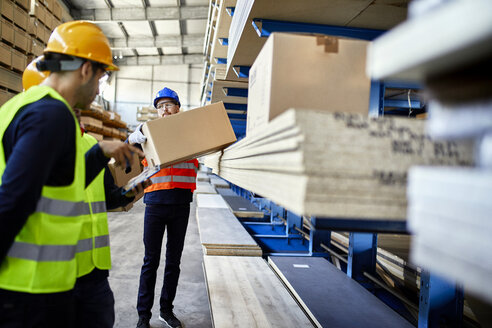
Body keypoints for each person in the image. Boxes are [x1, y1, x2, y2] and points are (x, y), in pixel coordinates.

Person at [0, 21, 143, 328]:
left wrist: (99, 152)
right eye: (101, 77)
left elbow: (54, 182)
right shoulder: (52, 115)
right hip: (32, 291)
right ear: (85, 69)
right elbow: (13, 200)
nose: (98, 89)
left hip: (29, 287)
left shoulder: (17, 108)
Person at [129, 87, 199, 328]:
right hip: (155, 204)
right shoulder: (148, 133)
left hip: (181, 203)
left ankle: (166, 310)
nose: (164, 110)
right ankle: (143, 316)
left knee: (173, 261)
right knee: (151, 261)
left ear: (178, 108)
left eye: (169, 105)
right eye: (160, 107)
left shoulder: (190, 131)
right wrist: (134, 135)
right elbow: (127, 151)